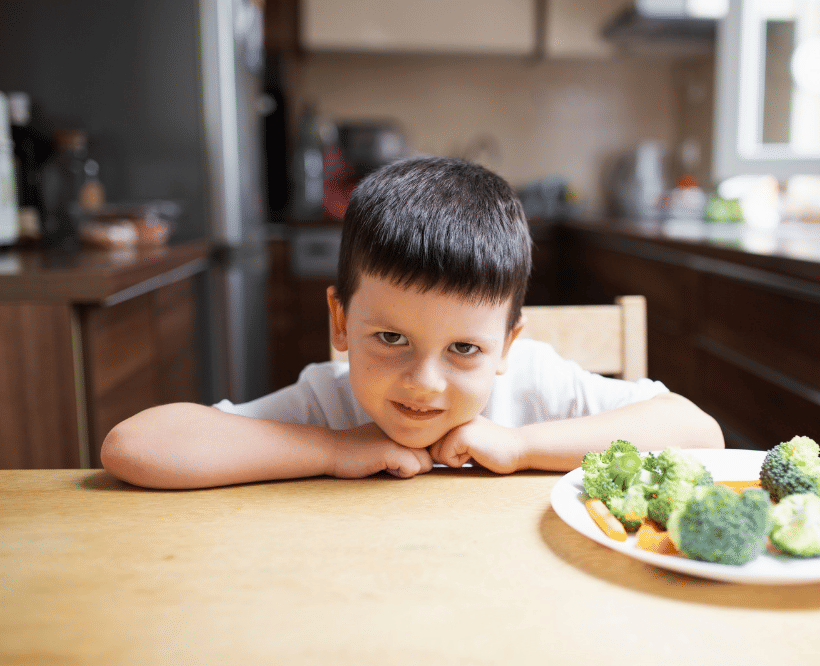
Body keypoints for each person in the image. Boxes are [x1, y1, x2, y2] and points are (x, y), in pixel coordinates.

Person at [101, 157, 723, 489]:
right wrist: (334, 449)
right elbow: (133, 447)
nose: (424, 383)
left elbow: (699, 434)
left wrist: (521, 446)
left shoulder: (536, 386)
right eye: (391, 338)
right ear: (341, 325)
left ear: (507, 346)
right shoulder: (328, 401)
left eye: (464, 349)